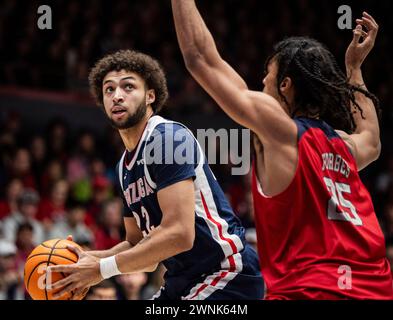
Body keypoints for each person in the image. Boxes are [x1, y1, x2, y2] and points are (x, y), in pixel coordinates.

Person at [172, 1, 393, 299]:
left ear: (286, 85)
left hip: (311, 290)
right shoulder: (345, 146)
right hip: (376, 288)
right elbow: (372, 139)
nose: (262, 82)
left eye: (268, 75)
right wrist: (354, 68)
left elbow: (200, 58)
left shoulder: (281, 133)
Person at [48, 50, 263, 300]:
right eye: (109, 90)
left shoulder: (168, 138)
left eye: (128, 87)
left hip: (226, 274)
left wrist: (101, 269)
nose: (117, 96)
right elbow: (139, 248)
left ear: (150, 95)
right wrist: (86, 259)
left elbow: (180, 234)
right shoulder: (123, 167)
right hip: (182, 280)